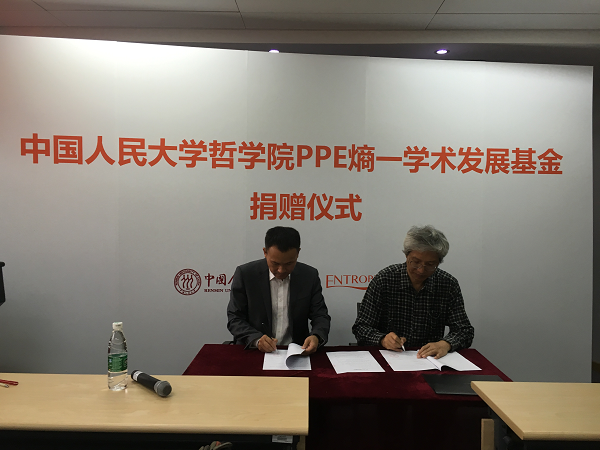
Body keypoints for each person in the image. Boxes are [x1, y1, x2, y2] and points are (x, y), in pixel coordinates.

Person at [352, 225, 474, 359]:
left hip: (428, 360)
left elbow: (464, 331)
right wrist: (382, 339)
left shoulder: (448, 284)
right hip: (389, 357)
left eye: (430, 265)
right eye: (415, 262)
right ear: (406, 255)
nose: (421, 270)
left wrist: (445, 344)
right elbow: (361, 327)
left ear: (439, 262)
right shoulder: (384, 280)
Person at [227, 226, 330, 354]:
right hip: (254, 351)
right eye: (275, 263)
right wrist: (256, 339)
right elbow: (235, 318)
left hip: (297, 351)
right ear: (265, 252)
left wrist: (316, 336)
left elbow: (320, 315)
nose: (281, 270)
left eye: (289, 264)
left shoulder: (309, 276)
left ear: (298, 253)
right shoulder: (246, 274)